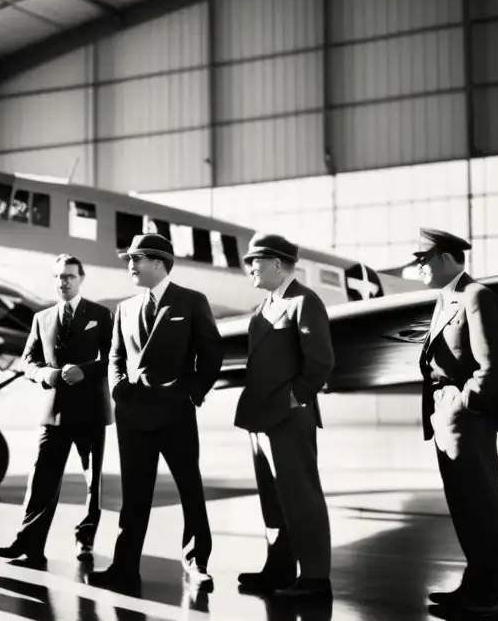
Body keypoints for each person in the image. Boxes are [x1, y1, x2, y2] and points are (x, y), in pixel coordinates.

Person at [88, 233, 223, 589]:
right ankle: (124, 567)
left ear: (159, 263)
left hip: (175, 413)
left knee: (189, 490)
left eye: (137, 259)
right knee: (134, 496)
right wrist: (118, 388)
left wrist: (191, 393)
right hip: (133, 417)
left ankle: (196, 564)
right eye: (129, 259)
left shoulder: (192, 302)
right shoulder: (125, 308)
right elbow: (116, 355)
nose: (130, 266)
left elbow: (211, 354)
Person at [414, 228, 498, 616]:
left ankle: (494, 596)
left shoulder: (477, 297)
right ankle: (475, 585)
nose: (418, 268)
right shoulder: (445, 299)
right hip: (444, 413)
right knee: (464, 506)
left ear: (443, 257)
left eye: (422, 260)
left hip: (465, 415)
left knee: (483, 505)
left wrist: (464, 403)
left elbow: (495, 363)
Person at [233, 234, 335, 601]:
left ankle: (315, 578)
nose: (249, 269)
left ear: (277, 264)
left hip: (289, 418)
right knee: (273, 500)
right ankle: (278, 569)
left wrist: (294, 399)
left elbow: (321, 363)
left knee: (301, 497)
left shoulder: (304, 302)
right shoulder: (267, 305)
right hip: (262, 418)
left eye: (254, 262)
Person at [0, 254, 113, 564]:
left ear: (81, 279)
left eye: (70, 276)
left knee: (93, 482)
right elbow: (27, 361)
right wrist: (45, 374)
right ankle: (29, 543)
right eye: (60, 276)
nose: (64, 281)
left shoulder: (100, 314)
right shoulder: (41, 318)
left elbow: (115, 359)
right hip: (54, 411)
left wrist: (86, 370)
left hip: (91, 411)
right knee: (41, 479)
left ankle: (85, 539)